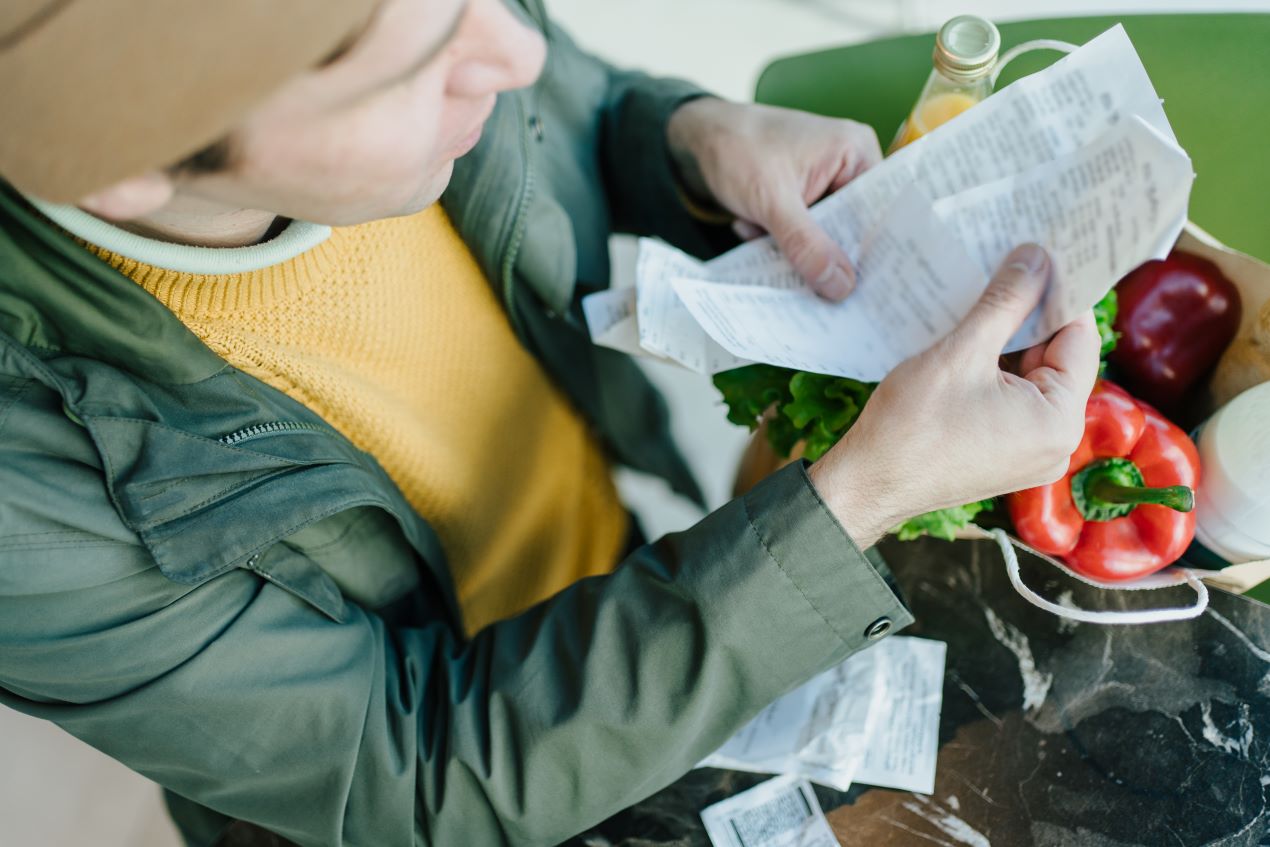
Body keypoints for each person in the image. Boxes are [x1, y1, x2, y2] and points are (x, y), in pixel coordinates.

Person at [0, 0, 1100, 844]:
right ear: (132, 166)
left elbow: (561, 99)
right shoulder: (25, 494)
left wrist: (676, 138)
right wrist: (860, 494)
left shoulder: (430, 44)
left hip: (624, 573)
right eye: (404, 68)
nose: (510, 49)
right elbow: (416, 772)